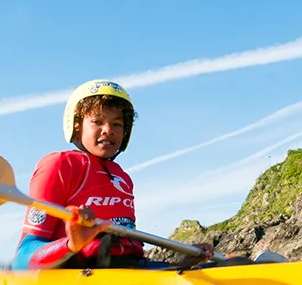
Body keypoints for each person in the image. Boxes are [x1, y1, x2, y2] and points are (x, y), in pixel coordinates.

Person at [12, 79, 212, 270]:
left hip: (125, 275)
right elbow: (22, 259)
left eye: (117, 124)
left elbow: (127, 261)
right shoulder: (59, 166)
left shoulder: (122, 178)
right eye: (97, 121)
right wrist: (71, 245)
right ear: (76, 125)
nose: (108, 130)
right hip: (76, 276)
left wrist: (180, 266)